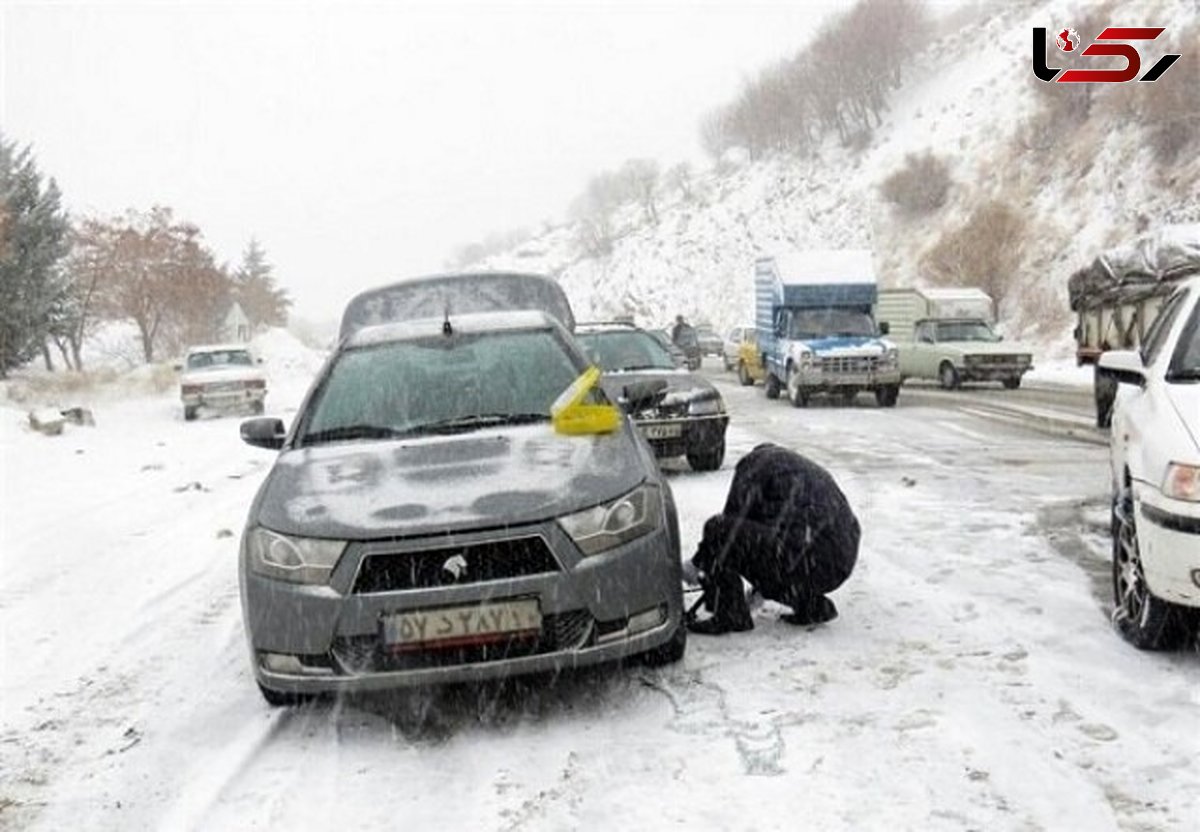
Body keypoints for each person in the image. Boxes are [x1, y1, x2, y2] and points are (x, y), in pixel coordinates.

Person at [684, 443, 860, 635]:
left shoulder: (754, 464)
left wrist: (698, 564)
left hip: (810, 552)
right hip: (837, 561)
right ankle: (812, 607)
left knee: (717, 528)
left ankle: (730, 615)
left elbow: (729, 526)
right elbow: (769, 535)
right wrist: (762, 583)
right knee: (779, 556)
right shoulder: (795, 471)